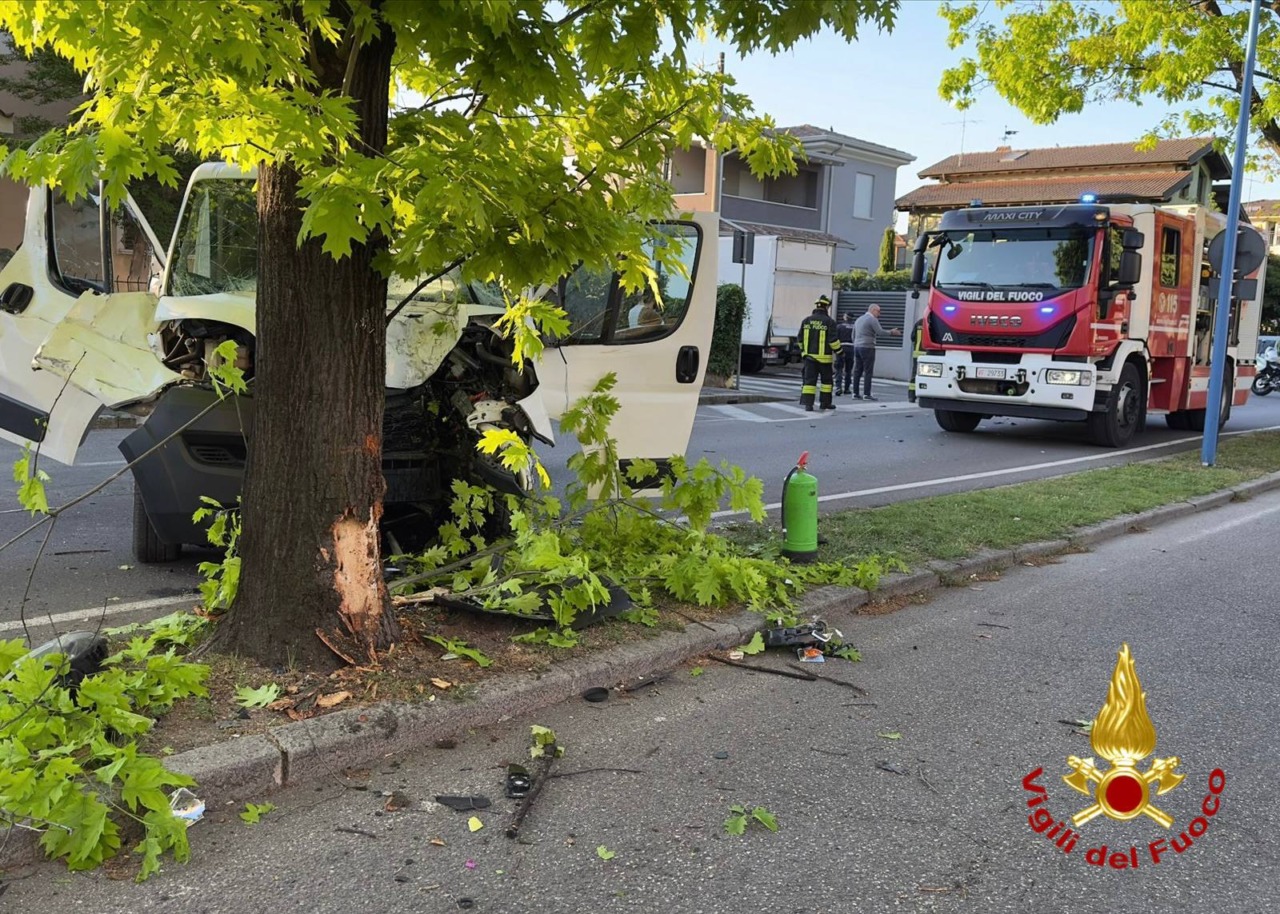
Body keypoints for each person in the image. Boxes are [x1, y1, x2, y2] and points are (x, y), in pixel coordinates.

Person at [798, 294, 841, 411]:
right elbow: (833, 341)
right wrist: (840, 352)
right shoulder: (829, 322)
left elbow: (800, 339)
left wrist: (804, 353)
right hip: (825, 360)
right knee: (826, 383)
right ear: (826, 307)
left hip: (809, 359)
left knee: (809, 383)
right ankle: (825, 403)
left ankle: (808, 405)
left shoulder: (806, 321)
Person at [851, 303, 902, 400]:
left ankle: (855, 393)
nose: (879, 314)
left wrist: (856, 343)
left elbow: (853, 334)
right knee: (868, 371)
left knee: (857, 370)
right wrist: (892, 332)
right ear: (873, 310)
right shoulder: (872, 319)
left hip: (857, 347)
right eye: (878, 311)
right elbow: (880, 332)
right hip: (868, 347)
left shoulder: (859, 319)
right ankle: (866, 394)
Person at [834, 311, 855, 395]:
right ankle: (847, 388)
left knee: (839, 368)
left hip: (841, 348)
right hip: (851, 348)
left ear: (845, 317)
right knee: (848, 370)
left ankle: (838, 387)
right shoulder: (855, 327)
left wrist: (835, 349)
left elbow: (835, 338)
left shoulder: (839, 327)